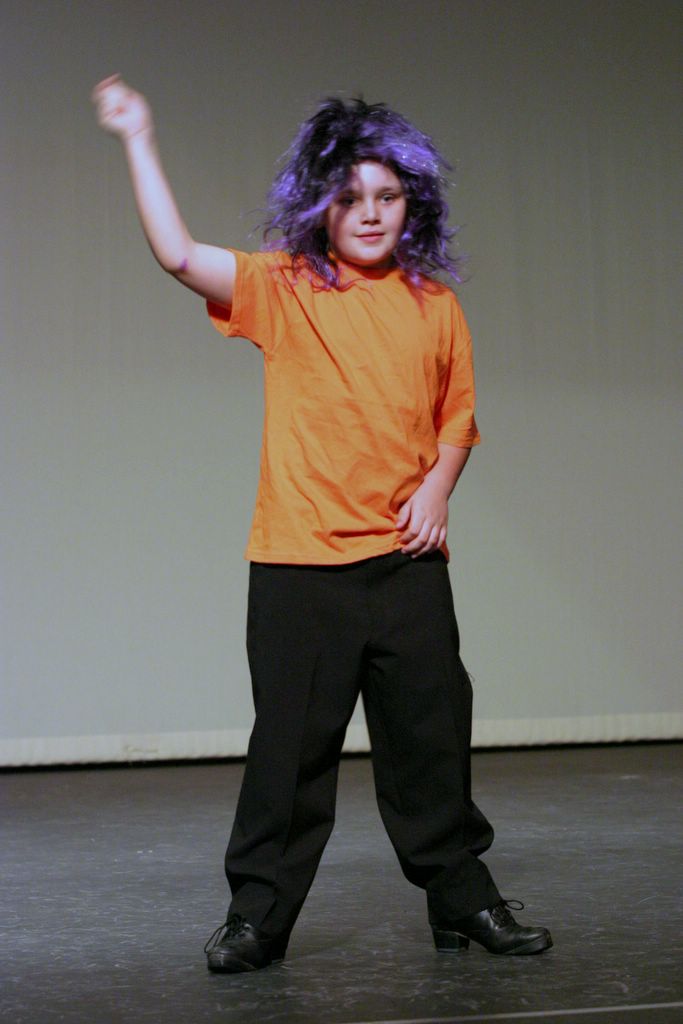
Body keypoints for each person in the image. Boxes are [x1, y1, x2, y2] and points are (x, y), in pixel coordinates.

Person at [92, 75, 552, 973]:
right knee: (291, 755)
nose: (369, 213)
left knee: (430, 742)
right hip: (300, 568)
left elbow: (456, 420)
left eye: (386, 195)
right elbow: (178, 254)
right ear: (318, 206)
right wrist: (138, 136)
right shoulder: (285, 287)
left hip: (406, 565)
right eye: (348, 197)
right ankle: (258, 917)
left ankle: (460, 900)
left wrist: (437, 490)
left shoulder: (434, 305)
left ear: (412, 203)